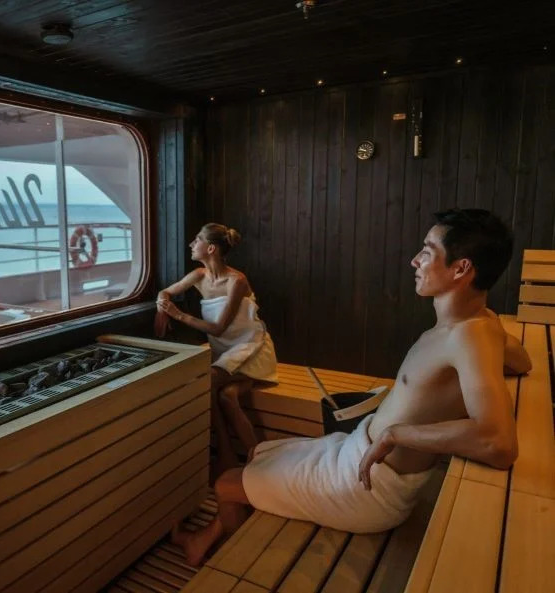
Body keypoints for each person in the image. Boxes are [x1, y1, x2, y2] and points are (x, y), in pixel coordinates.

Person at [172, 208, 532, 566]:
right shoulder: (480, 324)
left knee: (226, 484)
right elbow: (523, 360)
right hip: (358, 450)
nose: (415, 261)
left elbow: (498, 443)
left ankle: (229, 560)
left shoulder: (470, 335)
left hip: (368, 488)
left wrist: (395, 434)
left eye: (427, 251)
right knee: (258, 454)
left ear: (461, 269)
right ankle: (209, 539)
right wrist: (492, 339)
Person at [156, 223, 278, 473]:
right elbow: (165, 292)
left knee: (208, 379)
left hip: (251, 348)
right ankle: (260, 461)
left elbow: (219, 328)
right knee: (227, 396)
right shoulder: (199, 276)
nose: (191, 244)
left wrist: (178, 315)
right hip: (225, 355)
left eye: (197, 240)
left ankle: (225, 453)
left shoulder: (237, 281)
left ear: (210, 248)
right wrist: (161, 310)